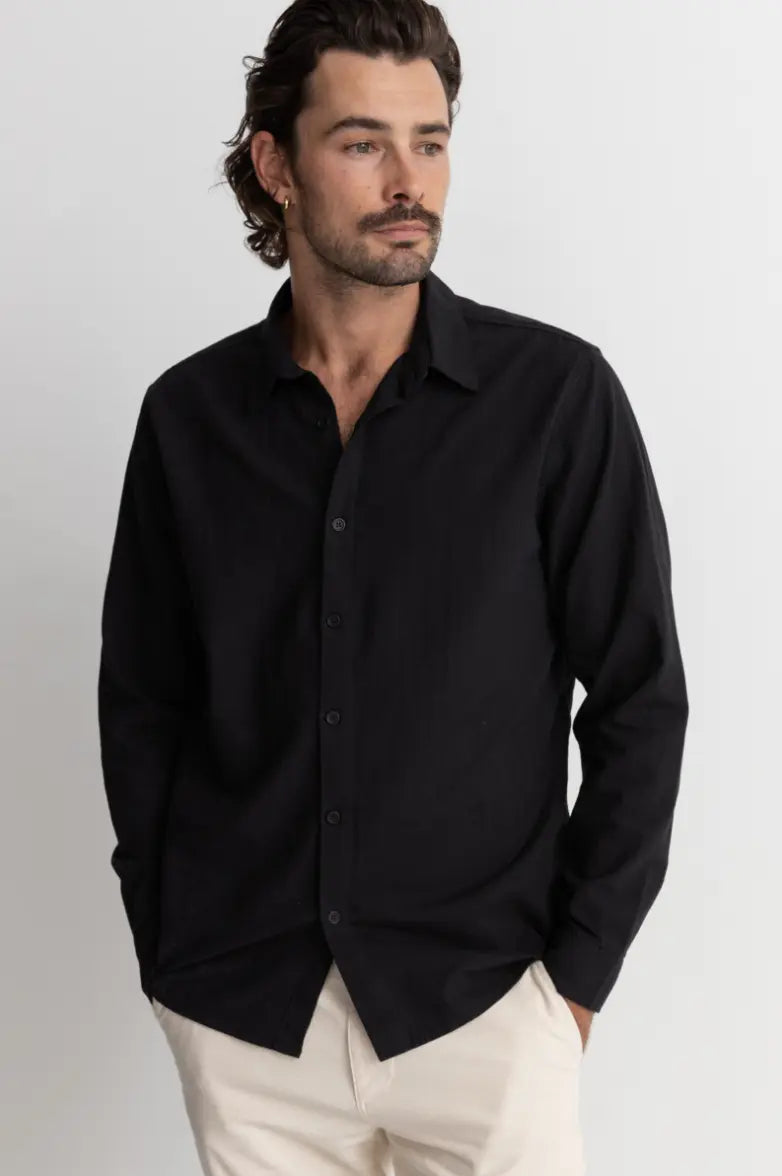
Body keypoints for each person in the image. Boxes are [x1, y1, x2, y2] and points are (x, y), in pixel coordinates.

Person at [97, 1, 689, 1172]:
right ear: (276, 166)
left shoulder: (554, 401)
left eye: (430, 140)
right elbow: (144, 707)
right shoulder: (188, 421)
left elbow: (638, 698)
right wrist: (171, 958)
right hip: (249, 1021)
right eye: (363, 143)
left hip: (488, 1010)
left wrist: (571, 984)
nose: (407, 181)